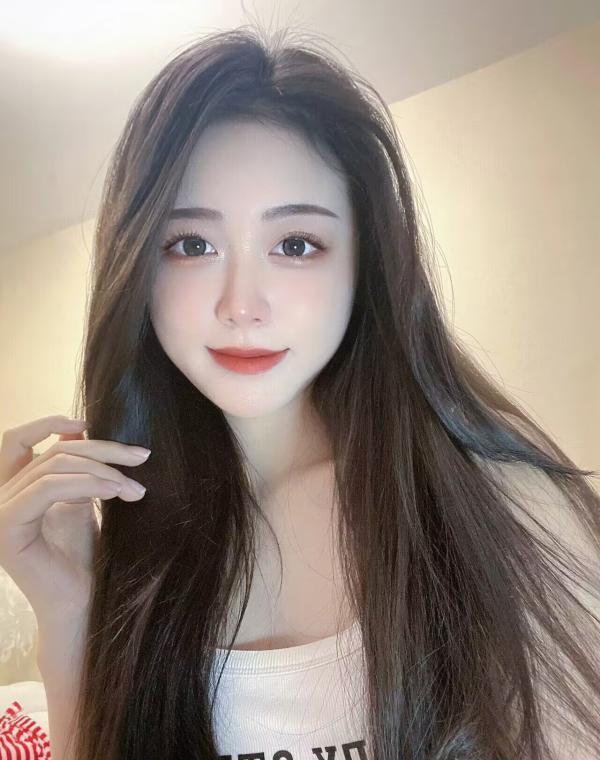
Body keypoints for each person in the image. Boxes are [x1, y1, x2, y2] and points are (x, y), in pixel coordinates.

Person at [1, 22, 600, 760]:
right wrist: (68, 615)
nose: (241, 305)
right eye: (191, 245)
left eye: (294, 245)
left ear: (363, 264)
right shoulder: (142, 529)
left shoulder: (487, 492)